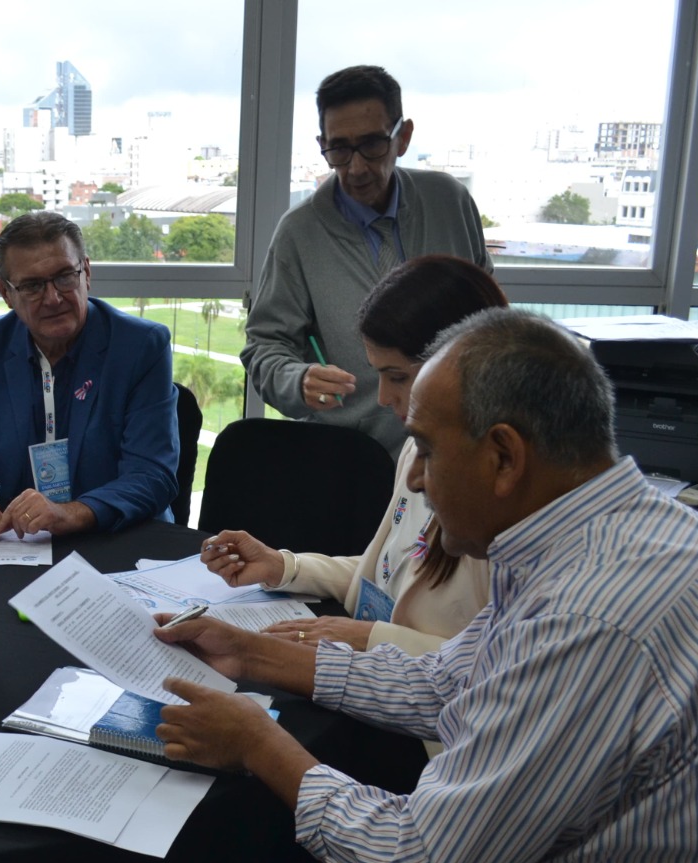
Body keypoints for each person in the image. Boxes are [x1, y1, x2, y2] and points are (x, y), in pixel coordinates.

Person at [156, 309, 698, 863]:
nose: (414, 478)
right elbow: (451, 679)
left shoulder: (592, 617)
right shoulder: (622, 536)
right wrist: (254, 656)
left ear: (504, 456)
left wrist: (259, 742)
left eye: (424, 449)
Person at [202, 255, 501, 654]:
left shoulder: (504, 497)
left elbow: (496, 664)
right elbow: (386, 575)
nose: (381, 397)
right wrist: (284, 566)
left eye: (397, 377)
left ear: (463, 364)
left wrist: (371, 638)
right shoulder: (416, 447)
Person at [240, 65, 492, 454]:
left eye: (372, 145)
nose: (355, 168)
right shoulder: (299, 232)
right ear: (321, 143)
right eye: (338, 149)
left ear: (403, 137)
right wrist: (298, 379)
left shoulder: (450, 201)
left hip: (463, 440)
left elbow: (490, 317)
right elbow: (264, 347)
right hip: (358, 457)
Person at [0, 210, 179, 539]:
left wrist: (71, 513)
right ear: (6, 293)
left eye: (64, 277)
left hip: (119, 539)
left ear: (86, 272)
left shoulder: (140, 347)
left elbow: (152, 474)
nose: (53, 298)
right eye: (31, 286)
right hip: (20, 547)